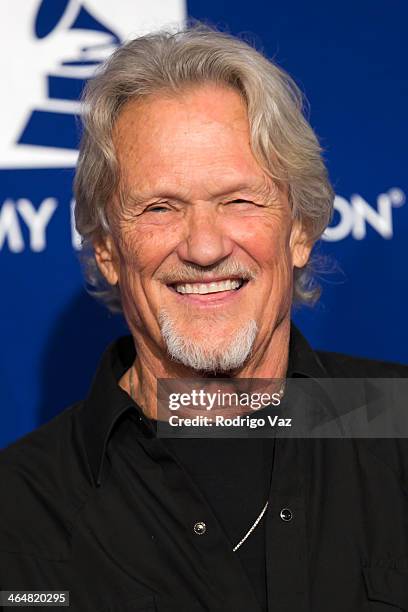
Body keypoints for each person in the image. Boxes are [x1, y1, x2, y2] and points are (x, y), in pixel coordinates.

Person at [1, 24, 407, 612]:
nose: (204, 247)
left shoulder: (397, 429)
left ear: (298, 231)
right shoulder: (18, 509)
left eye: (238, 200)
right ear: (108, 250)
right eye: (160, 207)